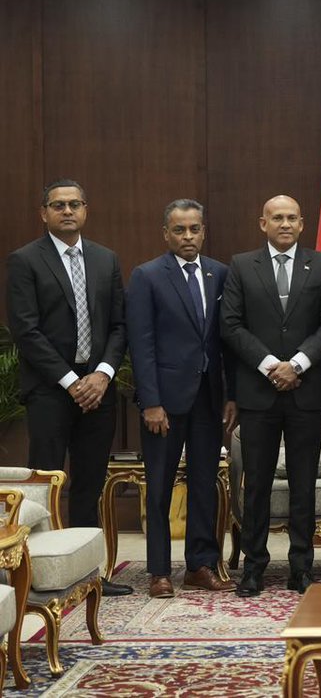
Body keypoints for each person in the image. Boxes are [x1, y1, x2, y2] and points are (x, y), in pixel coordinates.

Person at [6, 179, 133, 596]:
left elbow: (119, 325)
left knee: (89, 482)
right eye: (58, 205)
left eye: (74, 204)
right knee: (45, 481)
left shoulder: (105, 259)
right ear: (43, 213)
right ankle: (35, 573)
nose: (67, 211)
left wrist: (102, 374)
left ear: (85, 210)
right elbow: (26, 330)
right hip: (50, 389)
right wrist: (71, 380)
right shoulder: (25, 260)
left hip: (98, 386)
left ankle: (88, 573)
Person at [220, 195, 321, 596]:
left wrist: (298, 365)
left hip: (306, 392)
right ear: (263, 223)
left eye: (292, 218)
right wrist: (272, 365)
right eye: (277, 218)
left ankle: (301, 567)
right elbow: (231, 325)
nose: (285, 224)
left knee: (304, 484)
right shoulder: (241, 265)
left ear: (302, 223)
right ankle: (254, 567)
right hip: (259, 393)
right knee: (256, 484)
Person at [126, 199, 238, 598]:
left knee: (204, 483)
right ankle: (159, 571)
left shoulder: (219, 273)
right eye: (179, 230)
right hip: (165, 403)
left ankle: (200, 565)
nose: (187, 236)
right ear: (166, 234)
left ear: (203, 231)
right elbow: (141, 345)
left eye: (194, 229)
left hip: (209, 399)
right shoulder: (147, 276)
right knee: (159, 486)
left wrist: (231, 395)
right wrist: (151, 402)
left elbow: (227, 341)